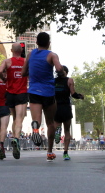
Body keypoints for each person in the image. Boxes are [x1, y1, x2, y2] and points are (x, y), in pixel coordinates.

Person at [22, 31, 64, 162]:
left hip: (34, 91)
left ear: (36, 42)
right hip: (48, 92)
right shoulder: (52, 55)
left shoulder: (31, 54)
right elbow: (59, 69)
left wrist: (33, 72)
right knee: (50, 123)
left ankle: (36, 129)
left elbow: (23, 72)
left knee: (37, 119)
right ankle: (49, 152)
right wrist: (61, 73)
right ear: (49, 43)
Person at [0, 42, 28, 160]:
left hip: (10, 93)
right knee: (19, 119)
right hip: (21, 93)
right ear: (21, 51)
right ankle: (16, 139)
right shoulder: (25, 61)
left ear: (11, 50)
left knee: (14, 118)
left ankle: (4, 143)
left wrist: (4, 79)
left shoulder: (7, 62)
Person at [52, 66, 84, 161]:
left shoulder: (53, 81)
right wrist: (80, 96)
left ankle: (57, 131)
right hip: (66, 107)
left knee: (56, 125)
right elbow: (73, 94)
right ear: (66, 72)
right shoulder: (69, 80)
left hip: (56, 107)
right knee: (67, 131)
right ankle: (65, 153)